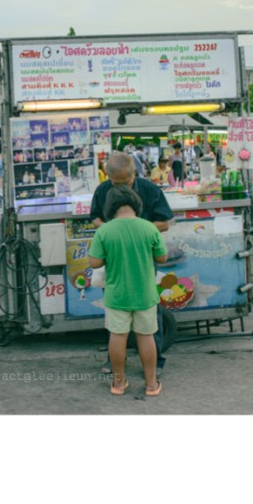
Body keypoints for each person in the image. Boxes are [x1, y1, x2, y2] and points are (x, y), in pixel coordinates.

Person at [89, 151, 174, 377]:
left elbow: (164, 223)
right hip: (115, 262)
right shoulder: (102, 190)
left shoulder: (150, 190)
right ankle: (116, 362)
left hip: (143, 260)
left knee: (150, 317)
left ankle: (156, 362)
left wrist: (136, 230)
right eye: (115, 183)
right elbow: (95, 217)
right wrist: (109, 230)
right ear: (108, 177)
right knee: (115, 320)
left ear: (134, 173)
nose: (120, 188)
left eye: (125, 183)